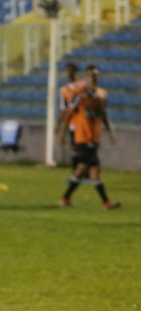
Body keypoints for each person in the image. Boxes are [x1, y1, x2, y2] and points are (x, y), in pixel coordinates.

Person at [58, 65, 119, 210]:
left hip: (94, 138)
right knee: (92, 170)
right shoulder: (79, 95)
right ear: (86, 78)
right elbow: (69, 113)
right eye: (91, 76)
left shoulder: (100, 96)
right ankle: (106, 202)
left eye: (96, 76)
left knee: (85, 171)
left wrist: (110, 131)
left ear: (99, 78)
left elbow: (103, 115)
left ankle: (66, 198)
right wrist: (63, 133)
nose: (93, 78)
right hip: (83, 138)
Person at [55, 62, 83, 167]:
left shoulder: (81, 85)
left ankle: (84, 170)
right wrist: (59, 124)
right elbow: (63, 109)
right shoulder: (64, 90)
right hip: (72, 122)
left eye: (71, 70)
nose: (69, 73)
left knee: (84, 147)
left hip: (83, 121)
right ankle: (77, 171)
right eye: (68, 70)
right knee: (75, 146)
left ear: (75, 72)